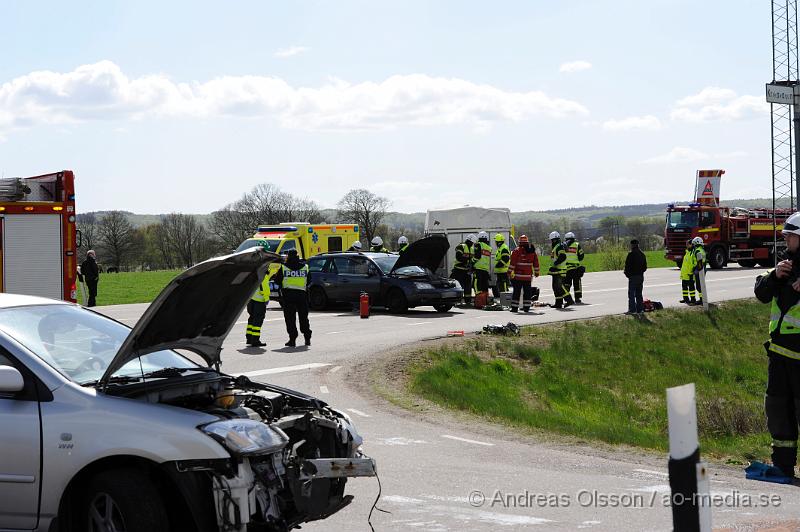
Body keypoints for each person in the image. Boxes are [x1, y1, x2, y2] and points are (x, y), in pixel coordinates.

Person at [754, 211, 800, 479]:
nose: (785, 238)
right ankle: (783, 466)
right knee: (779, 411)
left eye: (790, 235)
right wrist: (773, 277)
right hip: (779, 355)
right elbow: (761, 293)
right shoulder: (784, 264)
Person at [273, 249, 312, 347]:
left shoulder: (283, 268)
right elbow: (309, 280)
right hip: (302, 295)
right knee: (303, 317)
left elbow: (277, 281)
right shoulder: (305, 267)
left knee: (290, 318)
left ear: (288, 256)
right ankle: (307, 338)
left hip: (288, 295)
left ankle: (292, 339)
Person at [508, 234, 539, 312]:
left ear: (519, 242)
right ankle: (527, 307)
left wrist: (509, 272)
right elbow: (536, 263)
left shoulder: (516, 251)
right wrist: (537, 272)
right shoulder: (532, 251)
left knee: (517, 292)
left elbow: (512, 263)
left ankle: (514, 308)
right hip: (528, 276)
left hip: (518, 276)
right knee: (527, 292)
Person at [246, 269, 272, 347]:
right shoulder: (263, 274)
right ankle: (255, 340)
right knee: (257, 321)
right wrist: (266, 298)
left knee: (252, 319)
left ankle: (249, 338)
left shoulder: (252, 272)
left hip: (251, 299)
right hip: (259, 300)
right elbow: (264, 287)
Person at [548, 231, 574, 308]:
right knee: (555, 287)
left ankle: (569, 300)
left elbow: (563, 256)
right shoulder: (556, 246)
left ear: (554, 240)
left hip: (560, 269)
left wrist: (556, 263)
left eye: (551, 240)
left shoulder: (559, 246)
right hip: (556, 270)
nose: (551, 242)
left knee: (559, 286)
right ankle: (558, 303)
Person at [624, 239, 647, 315]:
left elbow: (627, 266)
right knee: (639, 294)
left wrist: (627, 274)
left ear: (632, 245)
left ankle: (632, 309)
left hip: (633, 276)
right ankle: (640, 310)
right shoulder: (642, 254)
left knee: (631, 294)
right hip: (640, 276)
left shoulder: (631, 254)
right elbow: (645, 267)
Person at [451, 234, 475, 306]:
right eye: (472, 242)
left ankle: (468, 301)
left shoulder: (471, 249)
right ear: (469, 241)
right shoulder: (461, 246)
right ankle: (458, 301)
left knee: (468, 287)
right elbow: (458, 257)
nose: (472, 244)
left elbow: (472, 260)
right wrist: (466, 261)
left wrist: (472, 267)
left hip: (467, 271)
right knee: (459, 286)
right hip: (458, 270)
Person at [563, 231, 585, 304]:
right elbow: (581, 256)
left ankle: (566, 298)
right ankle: (577, 298)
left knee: (566, 283)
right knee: (577, 283)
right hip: (575, 268)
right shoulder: (576, 245)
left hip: (566, 268)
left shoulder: (563, 245)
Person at [472, 231, 492, 306]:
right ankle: (485, 301)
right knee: (484, 287)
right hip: (485, 270)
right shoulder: (489, 248)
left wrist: (472, 262)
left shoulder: (478, 244)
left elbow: (477, 256)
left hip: (478, 269)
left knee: (476, 285)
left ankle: (478, 302)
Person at [679, 239, 698, 305]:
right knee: (684, 287)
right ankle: (685, 299)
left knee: (691, 288)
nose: (686, 245)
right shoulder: (687, 252)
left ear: (691, 244)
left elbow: (695, 263)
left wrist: (692, 271)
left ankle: (693, 300)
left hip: (690, 274)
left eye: (688, 244)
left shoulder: (693, 253)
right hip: (684, 274)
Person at [692, 236, 706, 305]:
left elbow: (699, 262)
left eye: (694, 243)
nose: (693, 245)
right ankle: (702, 299)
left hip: (699, 269)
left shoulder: (697, 250)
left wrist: (696, 270)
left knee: (699, 286)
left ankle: (702, 300)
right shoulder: (701, 249)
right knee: (700, 285)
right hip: (701, 268)